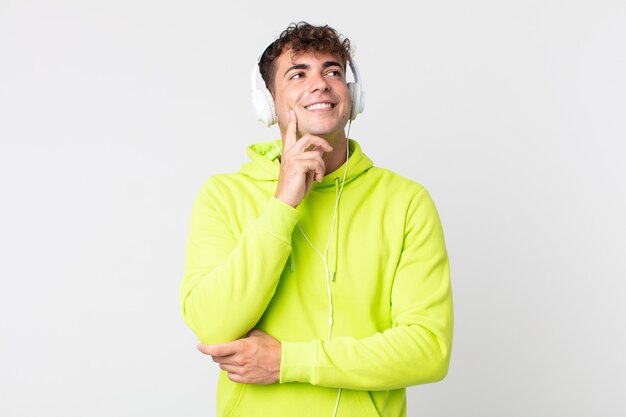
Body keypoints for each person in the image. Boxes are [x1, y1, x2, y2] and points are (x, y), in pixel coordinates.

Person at [180, 21, 453, 417]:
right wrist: (283, 203)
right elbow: (213, 325)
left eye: (332, 71)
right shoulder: (223, 195)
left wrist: (287, 362)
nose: (321, 83)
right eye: (298, 74)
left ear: (352, 96)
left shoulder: (406, 202)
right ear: (268, 103)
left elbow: (428, 350)